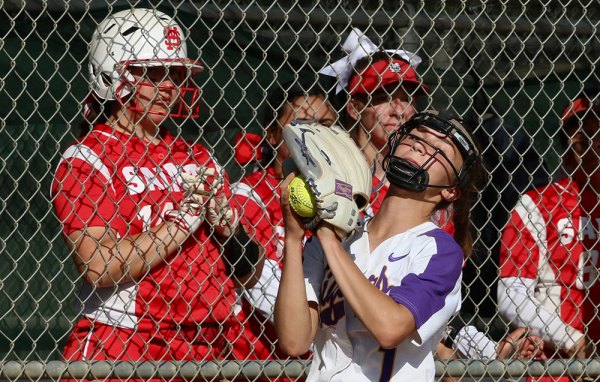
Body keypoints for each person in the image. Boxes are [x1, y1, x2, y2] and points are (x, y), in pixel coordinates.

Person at [51, 8, 259, 376]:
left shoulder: (197, 155)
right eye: (152, 73)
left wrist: (232, 231)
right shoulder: (88, 157)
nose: (169, 87)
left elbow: (248, 273)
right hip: (124, 342)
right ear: (112, 75)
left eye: (175, 74)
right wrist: (182, 220)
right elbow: (99, 266)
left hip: (207, 345)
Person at [274, 110, 485, 381]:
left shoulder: (438, 252)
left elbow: (390, 328)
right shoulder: (340, 236)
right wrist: (294, 238)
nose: (421, 145)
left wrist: (328, 238)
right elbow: (294, 341)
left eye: (440, 149)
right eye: (415, 137)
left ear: (451, 190)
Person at [228, 77, 336, 377]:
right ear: (274, 134)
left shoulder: (339, 199)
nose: (316, 136)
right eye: (303, 124)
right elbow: (264, 289)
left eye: (326, 125)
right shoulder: (248, 196)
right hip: (260, 365)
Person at [498, 87, 600, 381]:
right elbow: (511, 292)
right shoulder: (539, 203)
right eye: (582, 133)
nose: (588, 142)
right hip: (555, 367)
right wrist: (573, 341)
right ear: (571, 144)